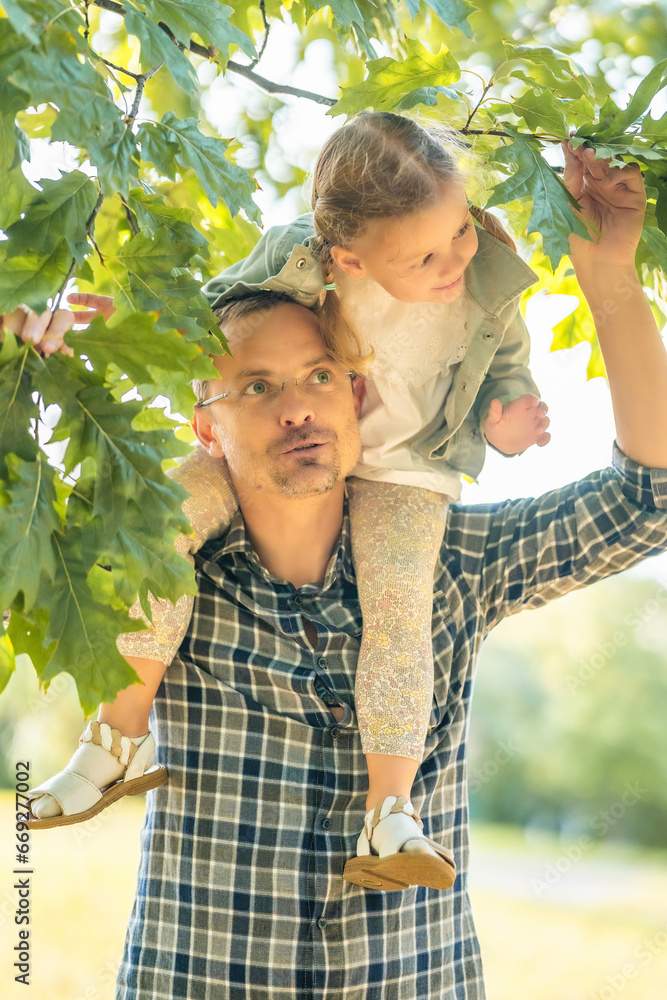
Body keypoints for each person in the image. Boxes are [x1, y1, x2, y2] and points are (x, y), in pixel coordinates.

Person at [16, 142, 667, 997]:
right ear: (204, 427)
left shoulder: (452, 563)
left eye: (321, 375)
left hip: (416, 978)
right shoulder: (158, 560)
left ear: (356, 393)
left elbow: (646, 499)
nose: (296, 406)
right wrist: (22, 353)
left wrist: (608, 271)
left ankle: (389, 823)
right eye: (255, 387)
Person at [24, 113, 551, 891]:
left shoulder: (483, 278)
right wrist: (115, 319)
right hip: (282, 445)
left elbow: (508, 367)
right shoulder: (298, 262)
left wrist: (508, 421)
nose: (455, 259)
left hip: (404, 469)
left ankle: (390, 812)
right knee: (153, 525)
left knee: (398, 611)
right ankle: (115, 741)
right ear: (348, 258)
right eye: (427, 253)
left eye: (460, 232)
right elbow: (209, 320)